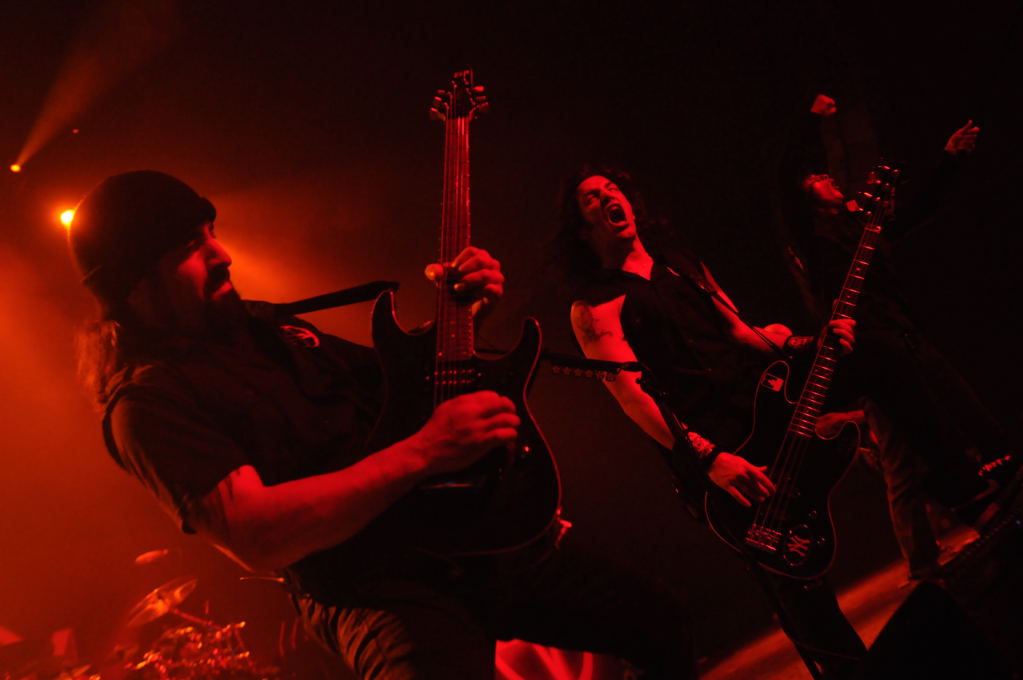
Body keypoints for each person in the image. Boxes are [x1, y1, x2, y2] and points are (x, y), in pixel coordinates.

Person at [69, 170, 695, 680]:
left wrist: (463, 312)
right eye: (189, 246)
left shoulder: (264, 327)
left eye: (211, 232)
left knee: (660, 622)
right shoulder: (144, 404)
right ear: (133, 283)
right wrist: (426, 452)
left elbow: (407, 389)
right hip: (372, 589)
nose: (222, 253)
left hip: (466, 540)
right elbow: (257, 534)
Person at [558, 165, 866, 680]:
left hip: (761, 418)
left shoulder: (682, 265)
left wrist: (810, 343)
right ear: (581, 227)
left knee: (813, 553)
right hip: (713, 450)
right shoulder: (594, 306)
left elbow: (743, 332)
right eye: (592, 196)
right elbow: (632, 398)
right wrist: (709, 459)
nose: (609, 195)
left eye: (612, 188)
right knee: (792, 583)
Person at [784, 94, 1015, 579]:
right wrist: (811, 124)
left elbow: (921, 208)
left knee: (961, 409)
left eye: (826, 174)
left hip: (904, 332)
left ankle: (1003, 488)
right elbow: (788, 180)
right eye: (817, 179)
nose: (828, 178)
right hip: (871, 348)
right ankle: (948, 538)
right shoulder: (813, 240)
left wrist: (950, 159)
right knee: (914, 446)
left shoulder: (859, 227)